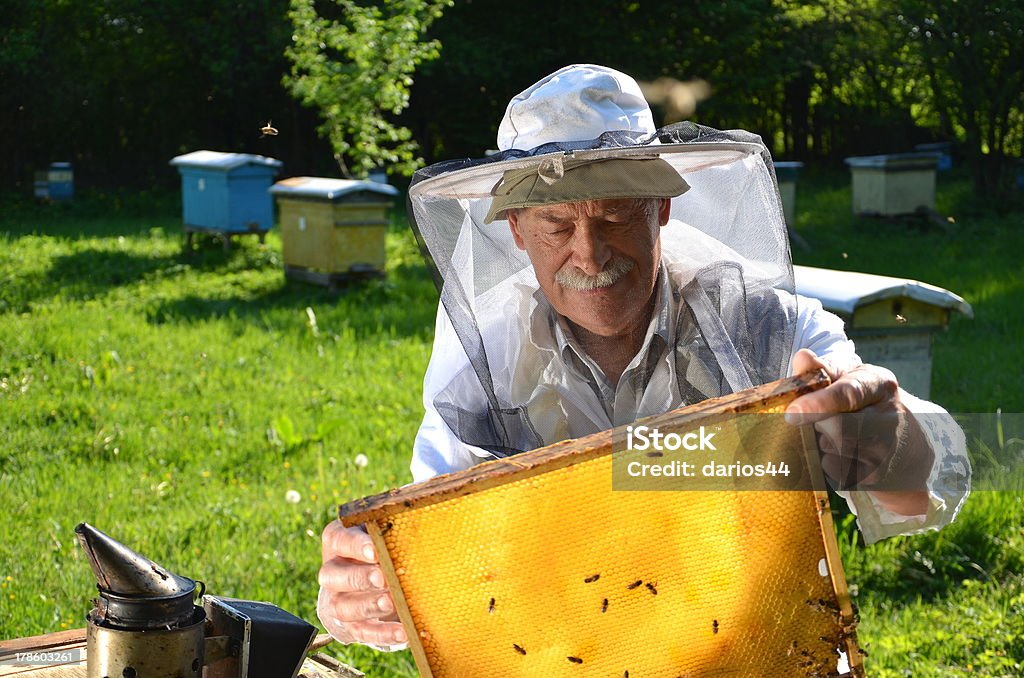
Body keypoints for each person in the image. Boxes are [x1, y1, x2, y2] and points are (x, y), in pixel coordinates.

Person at [316, 64, 971, 650]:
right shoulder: (485, 357)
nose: (590, 255)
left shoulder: (763, 321)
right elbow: (438, 555)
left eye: (613, 218)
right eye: (558, 226)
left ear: (660, 208)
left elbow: (928, 494)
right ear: (515, 229)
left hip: (752, 646)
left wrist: (892, 439)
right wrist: (369, 596)